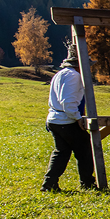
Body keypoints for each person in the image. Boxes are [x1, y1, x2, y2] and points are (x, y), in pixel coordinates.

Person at [41, 45, 95, 192]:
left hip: (55, 120)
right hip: (66, 120)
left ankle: (49, 183)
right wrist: (78, 118)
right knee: (84, 150)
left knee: (61, 152)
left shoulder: (60, 74)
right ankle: (87, 183)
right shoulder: (74, 76)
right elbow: (68, 102)